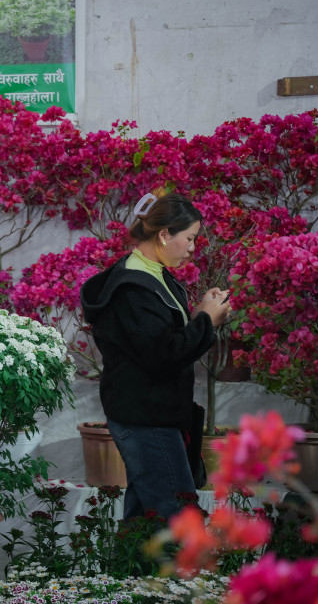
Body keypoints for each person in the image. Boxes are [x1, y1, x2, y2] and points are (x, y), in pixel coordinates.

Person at [79, 192, 231, 521]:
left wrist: (203, 312)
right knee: (176, 513)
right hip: (146, 417)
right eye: (189, 238)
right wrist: (207, 320)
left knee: (145, 517)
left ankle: (127, 573)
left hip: (152, 413)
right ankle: (176, 574)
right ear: (164, 234)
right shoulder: (134, 288)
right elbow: (163, 354)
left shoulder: (154, 275)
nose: (192, 248)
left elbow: (162, 341)